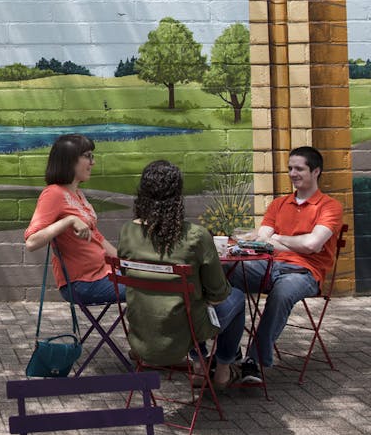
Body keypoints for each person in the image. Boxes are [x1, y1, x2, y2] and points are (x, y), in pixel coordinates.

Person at [116, 160, 247, 389]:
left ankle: (200, 367)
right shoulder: (196, 236)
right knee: (236, 297)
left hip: (142, 331)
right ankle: (223, 371)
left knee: (189, 303)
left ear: (142, 194)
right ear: (178, 196)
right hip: (186, 333)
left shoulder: (127, 232)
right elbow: (218, 294)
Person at [218, 145, 343, 384]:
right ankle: (228, 352)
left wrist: (277, 239)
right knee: (220, 273)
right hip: (267, 266)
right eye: (290, 168)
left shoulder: (329, 206)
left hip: (305, 272)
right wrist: (282, 241)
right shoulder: (278, 204)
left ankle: (253, 362)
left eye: (299, 169)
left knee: (282, 293)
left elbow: (312, 246)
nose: (292, 174)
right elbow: (262, 240)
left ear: (316, 171)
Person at [24, 133, 118, 305]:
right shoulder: (53, 194)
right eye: (88, 156)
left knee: (156, 280)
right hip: (83, 283)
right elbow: (31, 242)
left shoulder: (78, 194)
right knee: (149, 287)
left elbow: (97, 237)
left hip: (104, 273)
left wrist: (127, 262)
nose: (93, 162)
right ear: (70, 160)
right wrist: (68, 220)